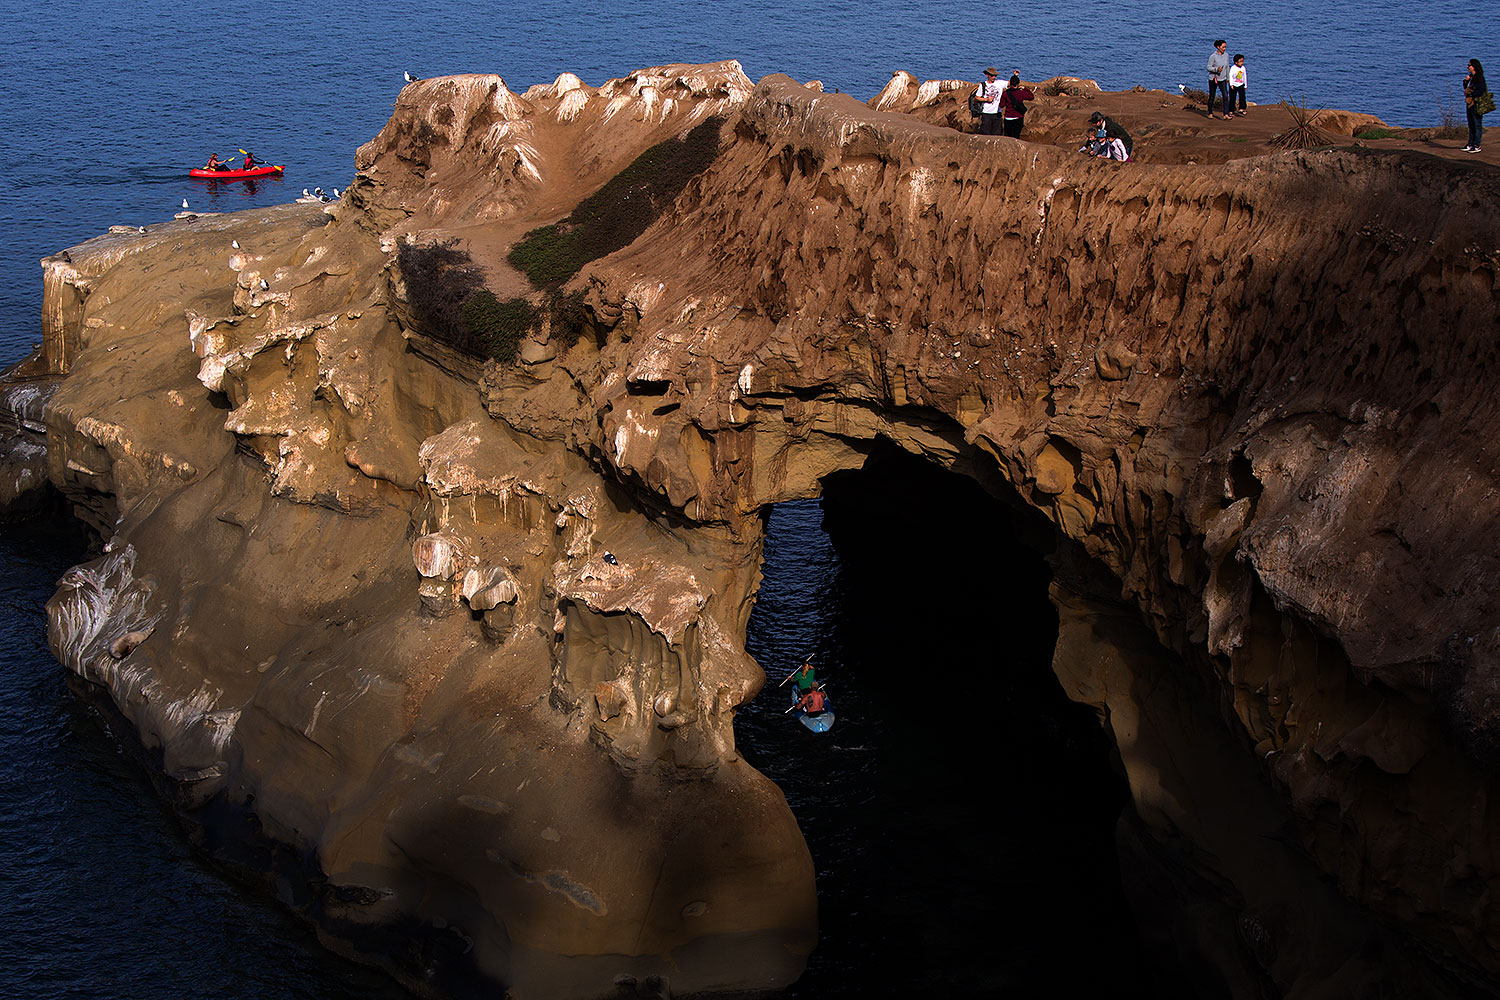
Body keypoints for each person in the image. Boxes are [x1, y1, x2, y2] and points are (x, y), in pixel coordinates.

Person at [999, 72, 1035, 138]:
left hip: (1008, 117)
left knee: (1008, 137)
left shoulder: (1006, 93)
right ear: (1018, 84)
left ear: (1010, 83)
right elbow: (1031, 97)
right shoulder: (1020, 93)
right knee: (1016, 136)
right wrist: (1025, 88)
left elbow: (1001, 105)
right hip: (1018, 117)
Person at [1465, 58, 1488, 153]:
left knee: (1477, 125)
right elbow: (1466, 88)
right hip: (1470, 104)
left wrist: (1471, 94)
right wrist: (1466, 82)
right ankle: (1470, 144)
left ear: (1474, 67)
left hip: (1476, 104)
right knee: (1471, 124)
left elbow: (1481, 91)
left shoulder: (1479, 78)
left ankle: (1477, 145)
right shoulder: (1472, 77)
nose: (1468, 67)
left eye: (1469, 65)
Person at [975, 67, 1005, 136]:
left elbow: (1011, 83)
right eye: (992, 75)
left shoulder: (999, 83)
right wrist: (987, 99)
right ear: (987, 75)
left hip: (997, 113)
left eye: (995, 76)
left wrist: (1015, 75)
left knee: (997, 134)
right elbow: (977, 97)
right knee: (986, 134)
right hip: (986, 113)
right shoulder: (982, 85)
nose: (994, 77)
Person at [1207, 39, 1231, 119]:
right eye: (1223, 47)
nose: (1224, 49)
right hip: (1213, 79)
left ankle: (1226, 114)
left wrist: (1228, 78)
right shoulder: (1213, 56)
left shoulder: (1226, 55)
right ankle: (1210, 112)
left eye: (1225, 47)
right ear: (1218, 47)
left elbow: (1227, 67)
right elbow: (1208, 67)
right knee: (1212, 96)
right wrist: (1216, 69)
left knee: (1225, 96)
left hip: (1223, 78)